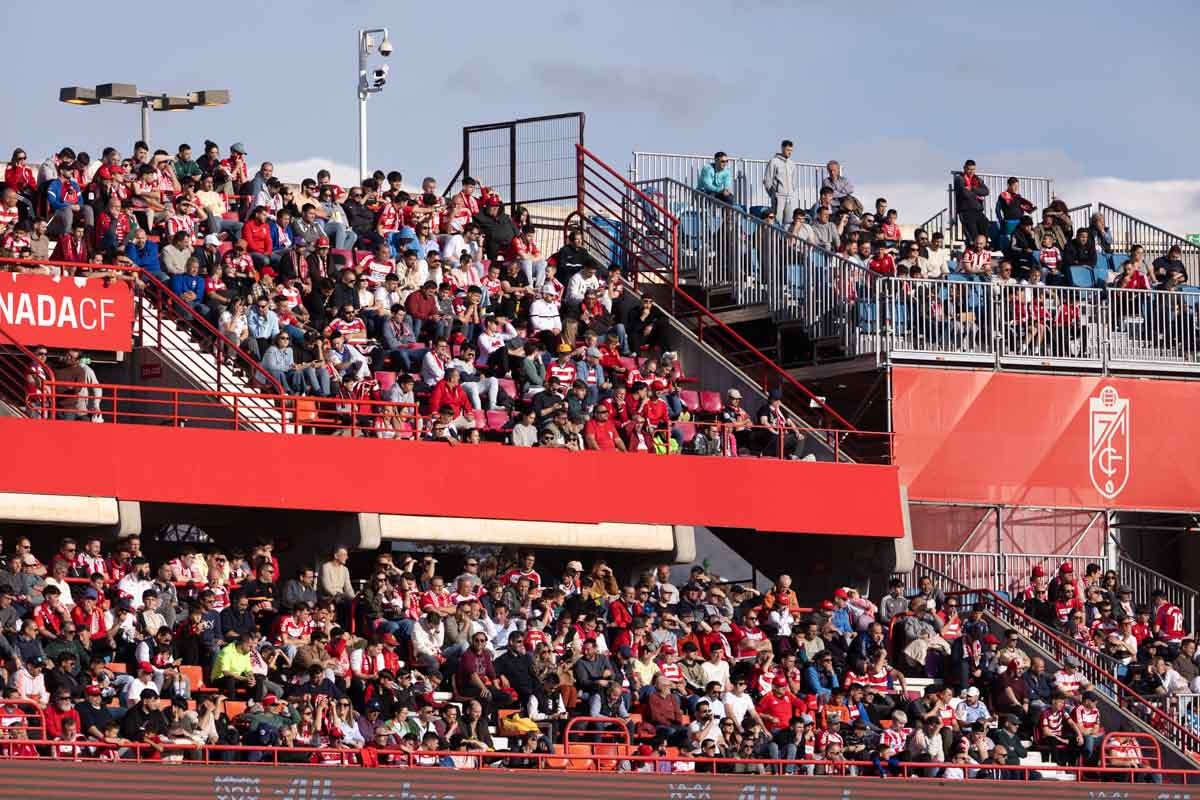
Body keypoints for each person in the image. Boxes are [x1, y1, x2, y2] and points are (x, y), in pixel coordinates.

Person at [953, 160, 990, 242]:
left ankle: (984, 247)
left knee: (985, 224)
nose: (971, 171)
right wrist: (977, 193)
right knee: (973, 235)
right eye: (969, 169)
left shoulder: (977, 179)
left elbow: (986, 191)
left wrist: (972, 188)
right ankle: (972, 248)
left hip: (977, 210)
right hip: (966, 211)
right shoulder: (959, 179)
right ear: (964, 168)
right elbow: (965, 193)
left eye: (973, 169)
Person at [764, 141, 798, 221]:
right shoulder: (774, 161)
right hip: (778, 196)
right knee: (777, 220)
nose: (790, 152)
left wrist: (791, 191)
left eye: (791, 150)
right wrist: (774, 194)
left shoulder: (792, 164)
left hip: (789, 197)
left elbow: (794, 181)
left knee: (788, 221)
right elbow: (767, 180)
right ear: (782, 149)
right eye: (788, 150)